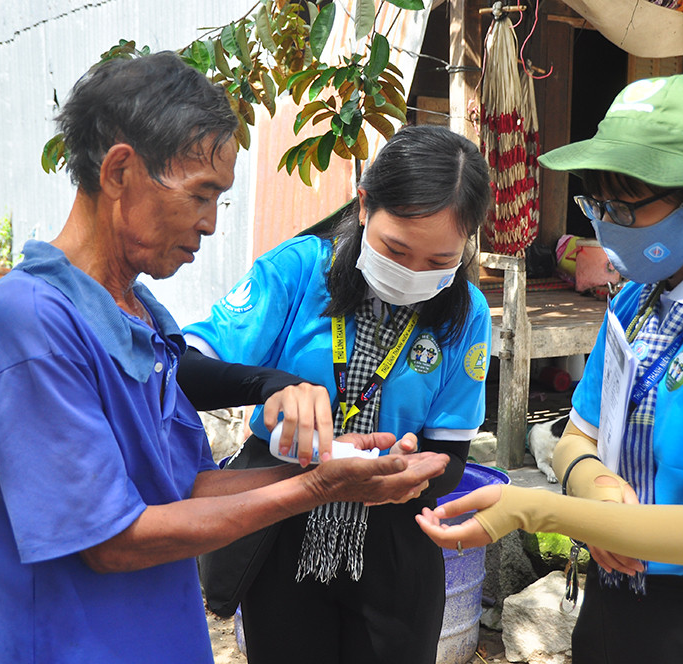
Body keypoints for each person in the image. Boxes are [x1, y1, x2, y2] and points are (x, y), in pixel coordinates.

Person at [0, 52, 449, 664]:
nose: (210, 224)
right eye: (200, 194)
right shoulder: (30, 323)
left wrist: (339, 478)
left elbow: (181, 490)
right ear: (120, 171)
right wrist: (315, 487)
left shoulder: (141, 318)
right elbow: (114, 541)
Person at [416, 75, 683, 663]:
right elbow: (576, 437)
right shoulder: (641, 298)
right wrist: (603, 499)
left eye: (626, 208)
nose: (606, 225)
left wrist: (534, 508)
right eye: (599, 205)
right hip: (612, 602)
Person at [181, 124, 493, 664]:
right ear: (365, 205)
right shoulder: (299, 271)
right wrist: (270, 383)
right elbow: (182, 368)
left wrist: (404, 473)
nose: (412, 274)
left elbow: (452, 458)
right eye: (396, 249)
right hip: (284, 524)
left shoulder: (467, 314)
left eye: (440, 262)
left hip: (396, 543)